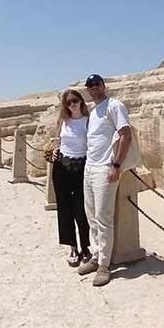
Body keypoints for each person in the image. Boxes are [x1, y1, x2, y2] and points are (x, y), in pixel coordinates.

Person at [76, 74, 132, 287]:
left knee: (103, 217)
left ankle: (104, 266)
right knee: (91, 215)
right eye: (90, 85)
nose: (94, 88)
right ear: (87, 90)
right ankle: (96, 255)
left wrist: (116, 165)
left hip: (105, 169)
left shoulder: (114, 106)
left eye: (97, 84)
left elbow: (126, 135)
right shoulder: (93, 111)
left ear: (104, 85)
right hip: (89, 169)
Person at [50, 89, 92, 267]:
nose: (72, 105)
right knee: (64, 210)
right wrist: (54, 150)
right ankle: (73, 247)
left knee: (81, 210)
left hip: (80, 168)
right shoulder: (63, 120)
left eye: (75, 101)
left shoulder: (89, 122)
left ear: (81, 101)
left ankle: (86, 247)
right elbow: (57, 140)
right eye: (68, 102)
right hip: (61, 168)